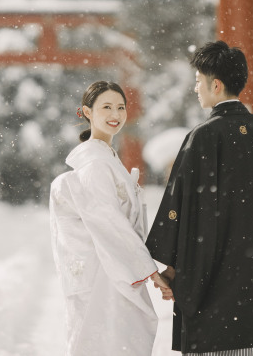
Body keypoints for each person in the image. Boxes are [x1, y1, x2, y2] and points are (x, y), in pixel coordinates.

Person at [146, 41, 253, 356]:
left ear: (215, 85)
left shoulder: (202, 138)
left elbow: (179, 211)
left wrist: (173, 270)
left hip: (211, 289)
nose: (195, 89)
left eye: (198, 81)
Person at [50, 81, 168, 356]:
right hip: (106, 271)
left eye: (120, 107)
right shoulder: (95, 164)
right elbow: (108, 221)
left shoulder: (106, 160)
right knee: (111, 343)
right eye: (106, 107)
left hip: (112, 267)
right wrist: (148, 270)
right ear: (87, 112)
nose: (115, 114)